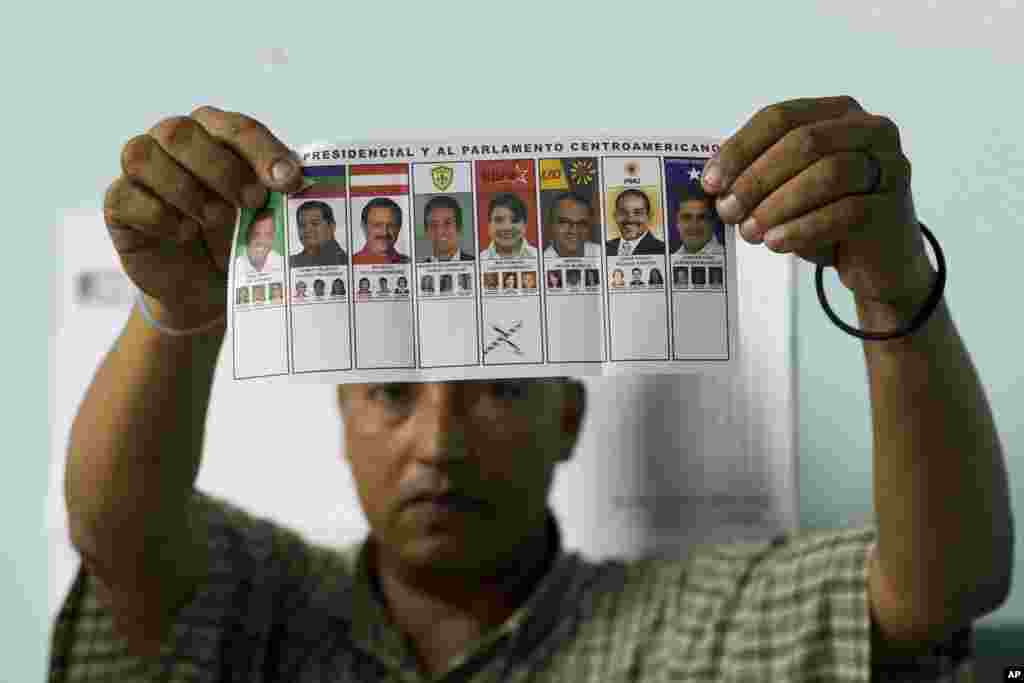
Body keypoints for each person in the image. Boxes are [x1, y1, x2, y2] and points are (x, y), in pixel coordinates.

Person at [60, 102, 1008, 681]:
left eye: (500, 387)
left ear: (570, 417)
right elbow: (114, 529)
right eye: (391, 391)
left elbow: (942, 585)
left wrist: (889, 279)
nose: (439, 442)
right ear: (341, 418)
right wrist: (176, 309)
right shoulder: (261, 603)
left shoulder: (692, 627)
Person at [605, 189, 665, 256]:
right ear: (615, 216)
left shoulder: (662, 249)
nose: (630, 219)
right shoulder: (604, 248)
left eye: (638, 213)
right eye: (623, 212)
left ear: (649, 216)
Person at [290, 200, 349, 267]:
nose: (307, 230)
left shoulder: (344, 261)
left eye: (315, 224)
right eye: (302, 225)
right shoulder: (292, 262)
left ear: (331, 227)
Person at [543, 192, 602, 258]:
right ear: (551, 225)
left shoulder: (604, 255)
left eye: (581, 223)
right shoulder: (539, 263)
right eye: (565, 222)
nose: (574, 230)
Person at [667, 190, 726, 257]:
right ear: (677, 223)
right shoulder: (671, 259)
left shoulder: (727, 256)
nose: (694, 225)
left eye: (702, 217)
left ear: (713, 222)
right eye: (686, 217)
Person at [353, 197, 410, 264]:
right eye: (377, 225)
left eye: (391, 225)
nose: (384, 232)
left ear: (399, 227)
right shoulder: (350, 263)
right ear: (364, 227)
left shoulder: (409, 263)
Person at [481, 193, 537, 259]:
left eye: (515, 220)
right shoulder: (478, 261)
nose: (507, 227)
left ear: (525, 225)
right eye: (499, 220)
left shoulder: (541, 257)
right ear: (489, 225)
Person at [420, 195, 475, 262]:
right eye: (434, 225)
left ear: (459, 228)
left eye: (447, 223)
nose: (440, 231)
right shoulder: (420, 270)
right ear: (426, 231)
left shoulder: (476, 263)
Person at [234, 209, 283, 277]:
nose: (262, 241)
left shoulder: (281, 262)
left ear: (273, 237)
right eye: (256, 234)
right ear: (248, 236)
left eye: (268, 234)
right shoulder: (236, 266)